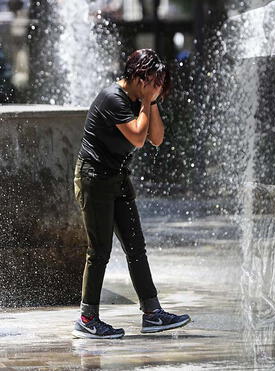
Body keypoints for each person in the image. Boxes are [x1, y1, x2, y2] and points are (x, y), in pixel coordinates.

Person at [72, 49, 190, 339]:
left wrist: (152, 101)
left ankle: (152, 313)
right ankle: (87, 319)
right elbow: (138, 137)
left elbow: (157, 138)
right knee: (99, 251)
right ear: (139, 77)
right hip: (94, 178)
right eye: (154, 80)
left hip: (117, 179)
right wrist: (148, 101)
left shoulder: (142, 99)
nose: (157, 86)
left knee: (136, 246)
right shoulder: (113, 98)